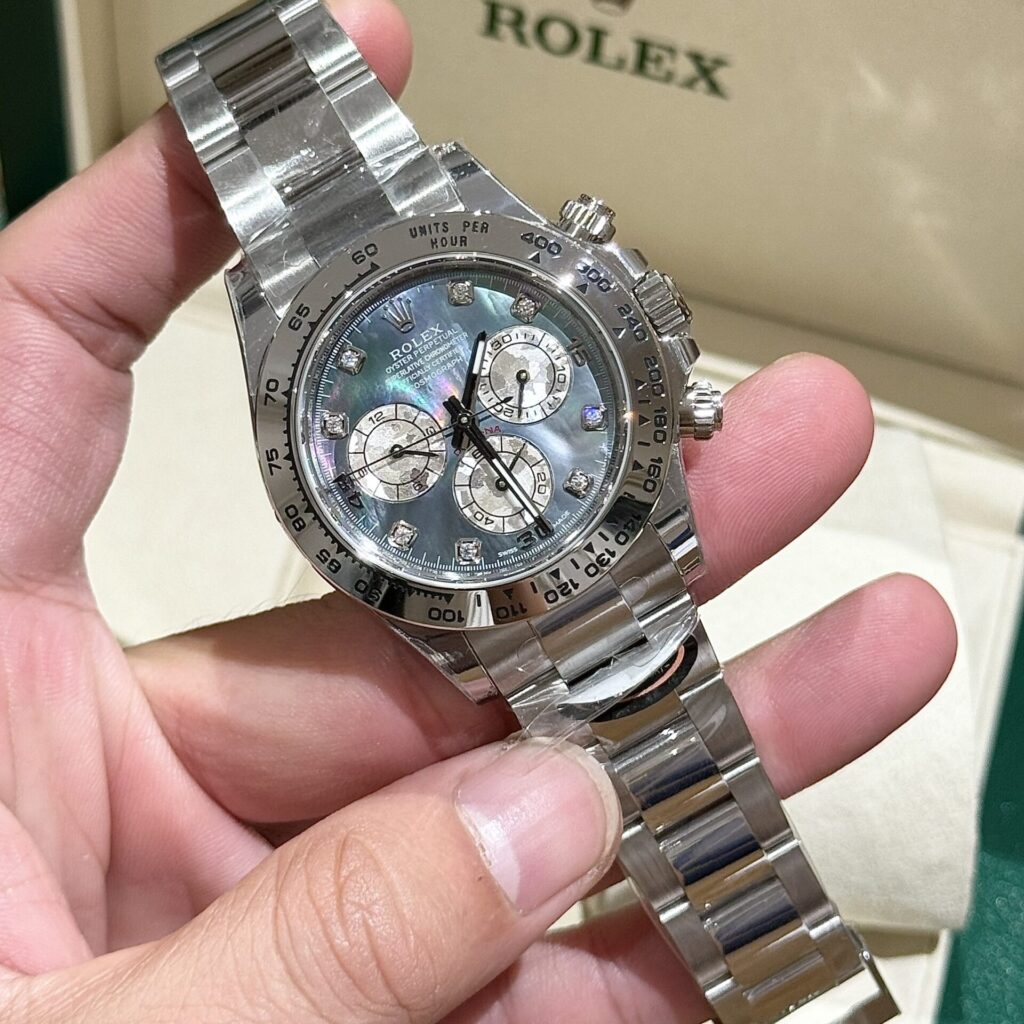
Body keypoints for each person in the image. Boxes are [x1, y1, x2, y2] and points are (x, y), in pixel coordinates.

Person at [0, 2, 956, 1020]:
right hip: (507, 607)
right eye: (422, 421)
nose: (453, 413)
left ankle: (796, 977)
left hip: (591, 553)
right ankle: (789, 983)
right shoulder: (302, 363)